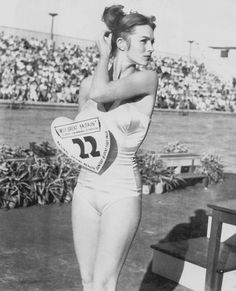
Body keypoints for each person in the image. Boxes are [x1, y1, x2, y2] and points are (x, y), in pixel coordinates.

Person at [72, 5, 158, 291]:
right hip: (84, 190)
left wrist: (103, 55)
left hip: (121, 193)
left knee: (104, 284)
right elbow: (77, 136)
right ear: (122, 42)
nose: (150, 48)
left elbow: (101, 93)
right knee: (87, 281)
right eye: (144, 40)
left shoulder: (147, 79)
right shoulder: (87, 84)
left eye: (152, 41)